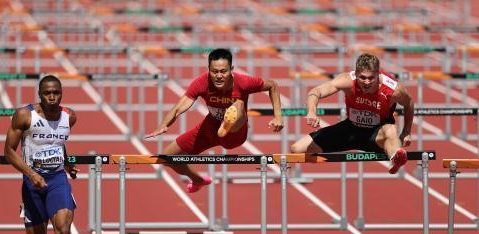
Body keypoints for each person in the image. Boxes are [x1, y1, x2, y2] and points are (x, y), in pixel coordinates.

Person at [145, 48, 283, 192]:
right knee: (167, 157)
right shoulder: (201, 82)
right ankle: (198, 180)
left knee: (239, 104)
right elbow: (178, 108)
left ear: (232, 70)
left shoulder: (243, 82)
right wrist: (163, 125)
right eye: (214, 72)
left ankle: (227, 124)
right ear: (208, 70)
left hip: (235, 133)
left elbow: (272, 85)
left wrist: (278, 116)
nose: (219, 76)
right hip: (210, 127)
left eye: (223, 71)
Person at [4, 75, 78, 234]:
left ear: (62, 93)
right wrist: (31, 173)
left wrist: (67, 164)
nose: (52, 97)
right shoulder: (24, 116)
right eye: (47, 93)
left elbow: (58, 142)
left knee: (63, 232)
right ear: (40, 93)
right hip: (32, 185)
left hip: (57, 182)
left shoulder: (70, 117)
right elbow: (8, 152)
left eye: (56, 92)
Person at [291, 53, 413, 174]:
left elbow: (409, 103)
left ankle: (395, 158)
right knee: (297, 149)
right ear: (356, 73)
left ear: (378, 74)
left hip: (377, 134)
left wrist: (406, 132)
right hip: (350, 130)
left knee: (390, 130)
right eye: (362, 77)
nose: (366, 82)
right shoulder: (347, 80)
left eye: (371, 78)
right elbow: (316, 91)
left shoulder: (393, 90)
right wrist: (312, 112)